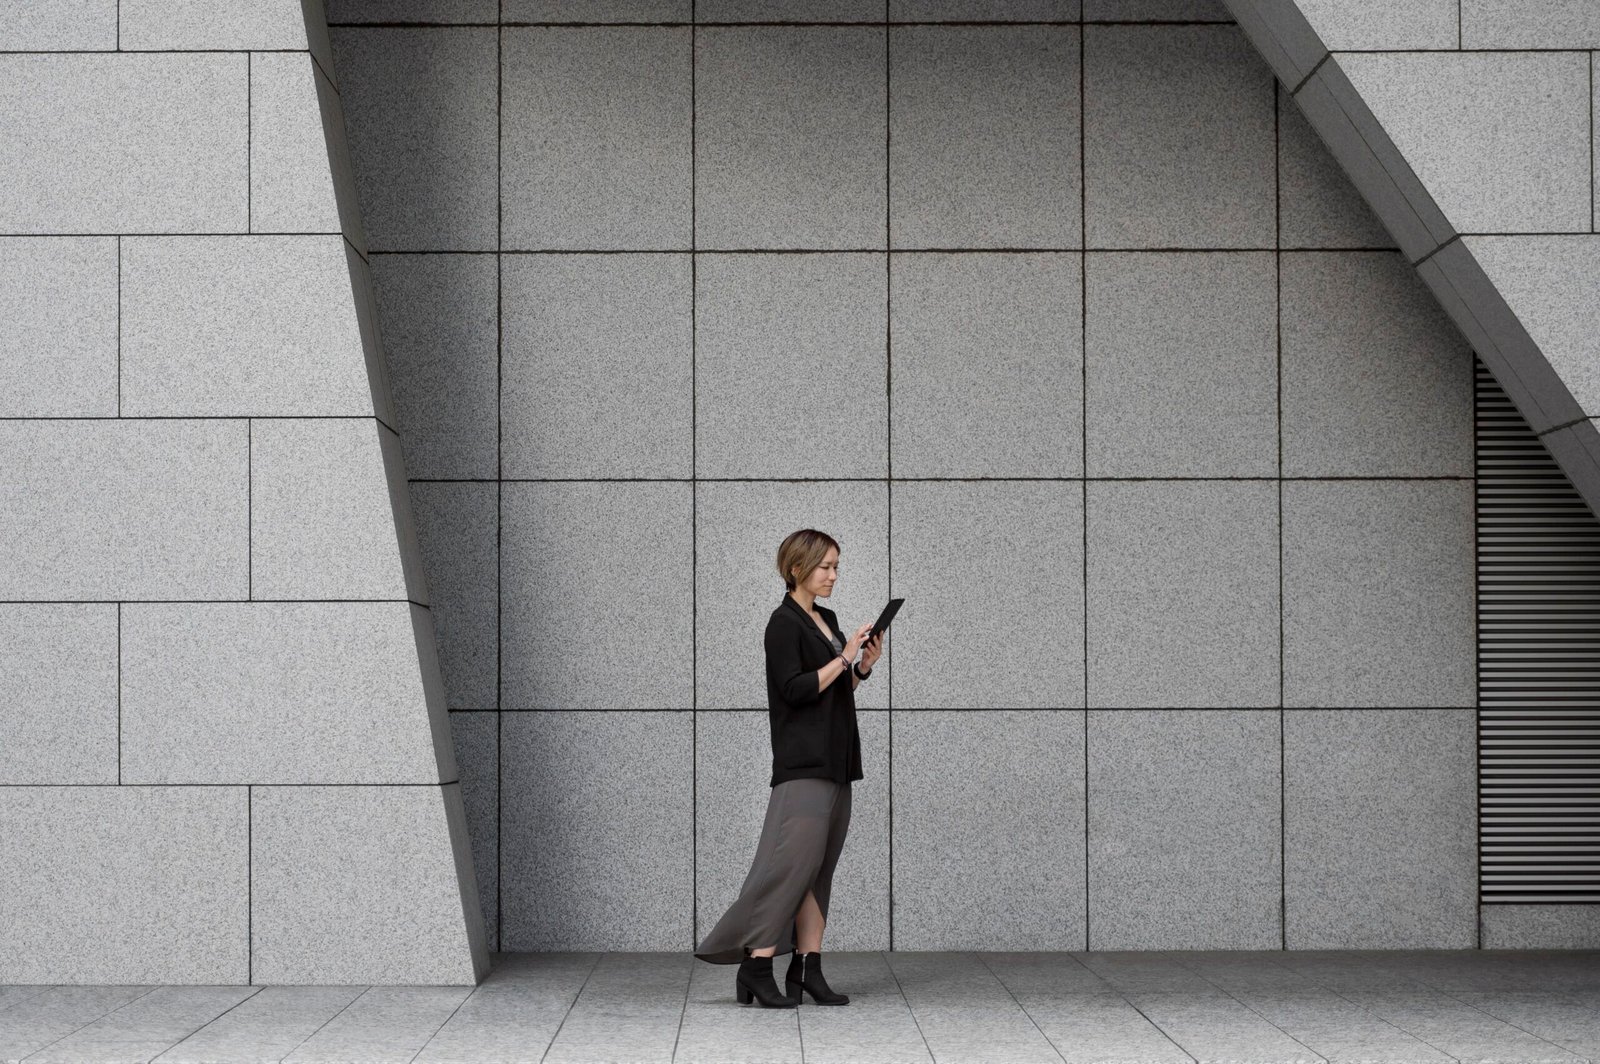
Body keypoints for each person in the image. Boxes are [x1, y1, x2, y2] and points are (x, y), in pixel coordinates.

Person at [693, 528, 885, 1008]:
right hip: (802, 766)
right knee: (788, 868)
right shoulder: (782, 624)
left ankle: (807, 969)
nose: (833, 575)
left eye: (837, 566)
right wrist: (843, 657)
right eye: (825, 567)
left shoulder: (828, 619)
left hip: (839, 762)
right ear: (797, 568)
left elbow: (834, 694)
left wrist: (860, 668)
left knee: (819, 870)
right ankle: (756, 964)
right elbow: (795, 691)